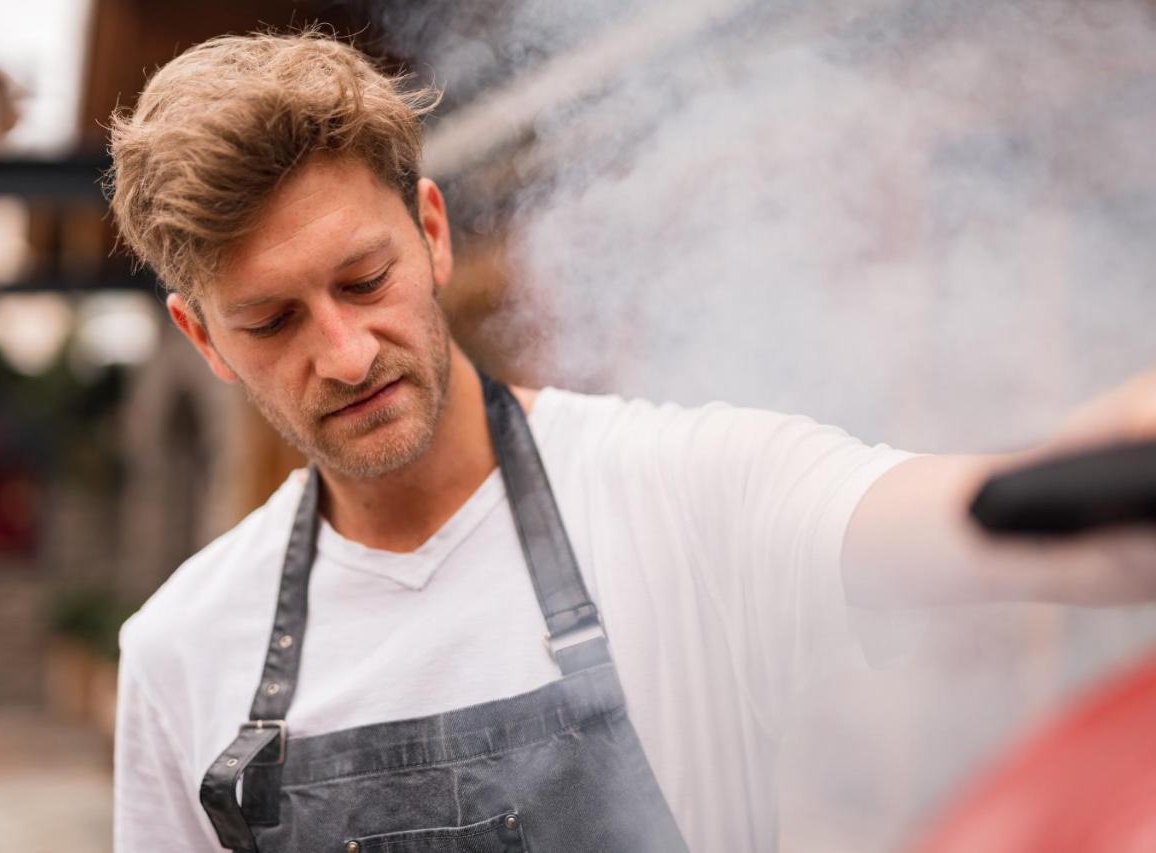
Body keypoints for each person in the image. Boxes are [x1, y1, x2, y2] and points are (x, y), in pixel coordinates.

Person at [106, 30, 1156, 853]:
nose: (341, 353)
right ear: (203, 337)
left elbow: (1025, 526)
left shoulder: (684, 494)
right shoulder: (182, 651)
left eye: (363, 280)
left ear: (430, 230)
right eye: (272, 322)